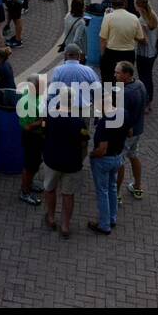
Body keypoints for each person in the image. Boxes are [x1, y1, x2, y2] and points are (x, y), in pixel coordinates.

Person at [87, 74, 128, 236]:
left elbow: (102, 149)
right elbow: (130, 132)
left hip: (104, 160)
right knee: (111, 187)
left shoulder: (104, 123)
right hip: (118, 157)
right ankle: (112, 218)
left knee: (102, 191)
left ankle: (104, 225)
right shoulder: (123, 113)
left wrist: (92, 154)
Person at [42, 93, 86, 239]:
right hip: (72, 163)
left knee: (50, 189)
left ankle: (51, 217)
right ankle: (65, 225)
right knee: (68, 194)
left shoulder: (50, 116)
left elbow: (44, 132)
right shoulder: (79, 122)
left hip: (52, 160)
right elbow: (84, 141)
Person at [115, 61, 148, 200]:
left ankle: (116, 193)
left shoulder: (125, 93)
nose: (115, 74)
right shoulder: (140, 84)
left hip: (127, 132)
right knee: (133, 156)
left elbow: (122, 116)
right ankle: (137, 186)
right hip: (138, 129)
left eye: (117, 72)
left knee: (119, 161)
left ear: (127, 74)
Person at [99, 0, 144, 83]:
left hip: (111, 53)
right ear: (125, 4)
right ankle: (123, 95)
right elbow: (140, 37)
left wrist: (103, 55)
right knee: (124, 80)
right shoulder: (134, 18)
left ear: (113, 5)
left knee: (108, 79)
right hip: (128, 53)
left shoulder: (108, 17)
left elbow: (103, 39)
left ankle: (110, 96)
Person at [18, 76, 47, 206]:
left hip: (38, 137)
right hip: (32, 138)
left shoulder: (34, 96)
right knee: (29, 165)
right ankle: (25, 192)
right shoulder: (27, 102)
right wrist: (43, 121)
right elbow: (27, 126)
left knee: (36, 162)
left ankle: (30, 183)